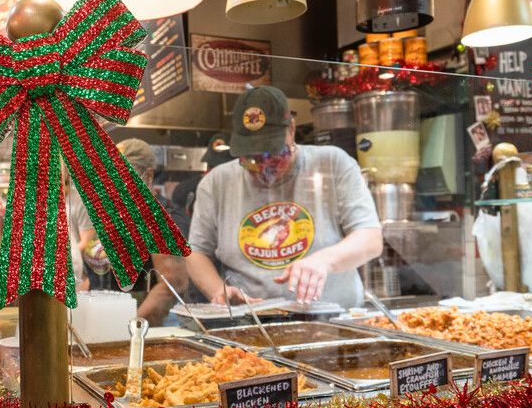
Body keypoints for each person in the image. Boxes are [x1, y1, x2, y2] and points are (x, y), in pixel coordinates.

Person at [187, 86, 383, 307]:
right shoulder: (216, 183)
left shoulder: (333, 163)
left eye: (274, 155)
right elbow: (195, 253)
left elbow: (370, 238)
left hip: (334, 320)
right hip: (252, 323)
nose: (264, 167)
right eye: (251, 159)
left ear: (291, 129)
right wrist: (219, 290)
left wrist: (324, 260)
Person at [76, 139, 191, 324]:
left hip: (143, 331)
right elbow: (98, 277)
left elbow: (171, 284)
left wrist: (127, 328)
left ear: (149, 176)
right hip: (100, 325)